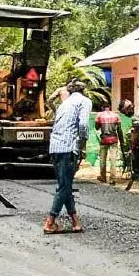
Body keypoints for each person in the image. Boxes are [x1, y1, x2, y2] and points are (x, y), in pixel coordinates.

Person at [44, 80, 92, 234]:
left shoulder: (64, 104)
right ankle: (50, 222)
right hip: (68, 147)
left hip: (55, 147)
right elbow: (83, 125)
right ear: (83, 91)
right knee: (64, 186)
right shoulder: (84, 101)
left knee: (65, 185)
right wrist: (82, 145)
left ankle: (75, 221)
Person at [95, 101, 124, 185]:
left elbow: (97, 127)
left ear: (102, 108)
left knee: (102, 159)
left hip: (104, 140)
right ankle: (112, 179)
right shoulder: (116, 115)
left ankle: (103, 177)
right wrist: (122, 141)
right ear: (109, 107)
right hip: (114, 139)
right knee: (113, 160)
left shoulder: (99, 115)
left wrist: (101, 124)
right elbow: (119, 130)